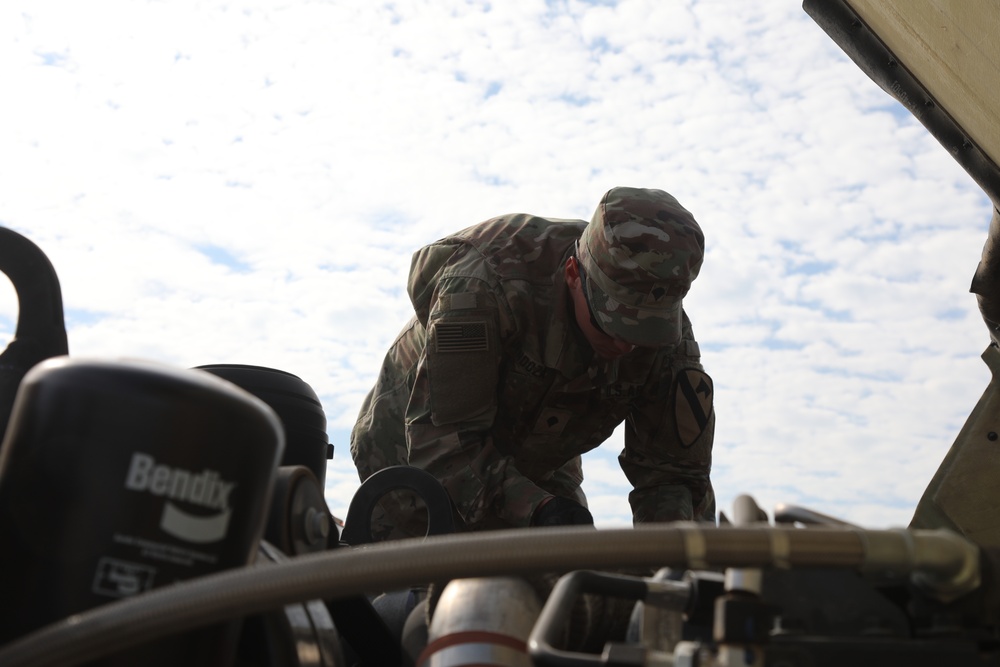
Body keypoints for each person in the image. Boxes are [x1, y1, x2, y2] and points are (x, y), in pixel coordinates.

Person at [350, 186, 715, 538]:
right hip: (411, 460)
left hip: (538, 461)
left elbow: (674, 477)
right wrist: (539, 510)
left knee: (576, 583)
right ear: (573, 274)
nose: (626, 344)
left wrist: (679, 572)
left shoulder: (667, 338)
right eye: (612, 323)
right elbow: (446, 445)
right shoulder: (482, 285)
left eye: (643, 332)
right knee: (451, 593)